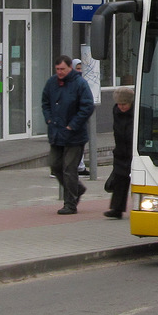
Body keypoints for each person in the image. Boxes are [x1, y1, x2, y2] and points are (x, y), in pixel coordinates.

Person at [42, 55, 94, 215]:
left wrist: (73, 125)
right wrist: (49, 119)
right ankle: (77, 189)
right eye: (57, 69)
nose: (60, 72)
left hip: (74, 135)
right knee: (55, 165)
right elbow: (45, 102)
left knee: (69, 169)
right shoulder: (51, 83)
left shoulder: (80, 84)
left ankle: (70, 204)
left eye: (62, 69)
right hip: (56, 133)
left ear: (70, 67)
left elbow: (87, 106)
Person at [105, 87, 134, 218]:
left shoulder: (136, 112)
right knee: (119, 179)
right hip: (121, 149)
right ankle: (116, 209)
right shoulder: (115, 111)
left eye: (124, 104)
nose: (121, 107)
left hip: (133, 151)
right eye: (119, 104)